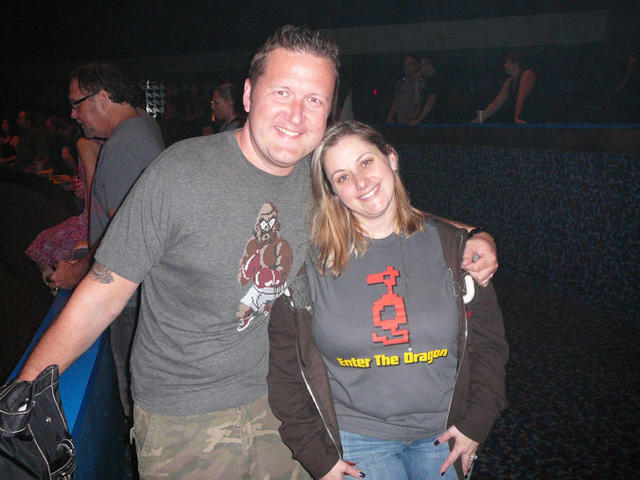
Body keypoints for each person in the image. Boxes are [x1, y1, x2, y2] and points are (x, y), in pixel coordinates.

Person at [17, 26, 497, 479]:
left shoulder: (320, 180)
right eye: (282, 93)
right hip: (183, 418)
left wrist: (474, 234)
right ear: (249, 96)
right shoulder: (179, 173)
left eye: (314, 100)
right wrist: (23, 394)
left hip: (284, 407)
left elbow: (383, 208)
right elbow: (102, 293)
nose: (296, 115)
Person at [267, 121, 508, 480]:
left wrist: (477, 423)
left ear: (391, 158)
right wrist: (316, 455)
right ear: (333, 192)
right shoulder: (307, 266)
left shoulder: (455, 249)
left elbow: (489, 347)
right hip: (357, 440)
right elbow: (287, 369)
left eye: (366, 162)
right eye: (343, 177)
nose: (360, 182)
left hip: (444, 433)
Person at [45, 62, 165, 424]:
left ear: (102, 97)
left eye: (76, 103)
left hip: (127, 293)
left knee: (135, 400)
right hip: (142, 287)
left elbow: (124, 233)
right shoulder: (143, 126)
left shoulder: (124, 145)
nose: (73, 114)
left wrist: (78, 272)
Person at [25, 137, 101, 292]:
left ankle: (57, 290)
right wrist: (79, 186)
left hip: (91, 221)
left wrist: (83, 191)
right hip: (96, 218)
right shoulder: (115, 143)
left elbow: (95, 192)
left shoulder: (85, 143)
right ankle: (58, 290)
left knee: (42, 245)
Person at [474, 52, 536, 124]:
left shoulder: (527, 74)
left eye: (507, 62)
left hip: (533, 117)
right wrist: (481, 117)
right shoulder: (509, 81)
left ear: (516, 64)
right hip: (520, 118)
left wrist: (517, 116)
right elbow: (497, 102)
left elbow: (521, 96)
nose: (504, 65)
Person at [387, 54, 426, 124]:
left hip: (414, 123)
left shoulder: (422, 83)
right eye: (405, 65)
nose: (406, 68)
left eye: (410, 65)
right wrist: (390, 117)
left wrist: (414, 118)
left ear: (417, 66)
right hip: (400, 122)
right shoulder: (401, 83)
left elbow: (422, 103)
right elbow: (396, 101)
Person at [410, 55, 446, 125]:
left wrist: (419, 120)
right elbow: (419, 100)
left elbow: (430, 102)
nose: (421, 69)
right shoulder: (429, 81)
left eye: (422, 66)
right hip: (429, 120)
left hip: (435, 121)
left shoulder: (436, 79)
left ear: (428, 65)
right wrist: (417, 83)